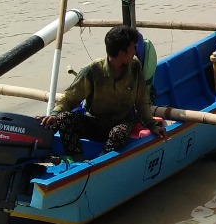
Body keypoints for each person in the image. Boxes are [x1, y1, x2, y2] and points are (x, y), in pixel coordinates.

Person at [41, 24, 165, 158]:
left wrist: (152, 126)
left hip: (120, 123)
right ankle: (75, 159)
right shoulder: (92, 71)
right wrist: (54, 114)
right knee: (63, 119)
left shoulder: (134, 66)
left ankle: (101, 159)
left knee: (119, 133)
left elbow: (142, 101)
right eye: (132, 49)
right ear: (122, 53)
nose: (135, 52)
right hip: (94, 122)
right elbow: (69, 99)